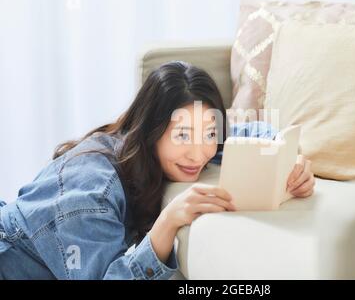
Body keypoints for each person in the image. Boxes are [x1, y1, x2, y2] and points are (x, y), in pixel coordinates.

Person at [0, 61, 315, 279]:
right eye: (182, 134)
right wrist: (167, 222)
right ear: (151, 129)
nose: (200, 152)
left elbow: (250, 133)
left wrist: (291, 161)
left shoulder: (152, 147)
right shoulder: (88, 193)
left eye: (208, 133)